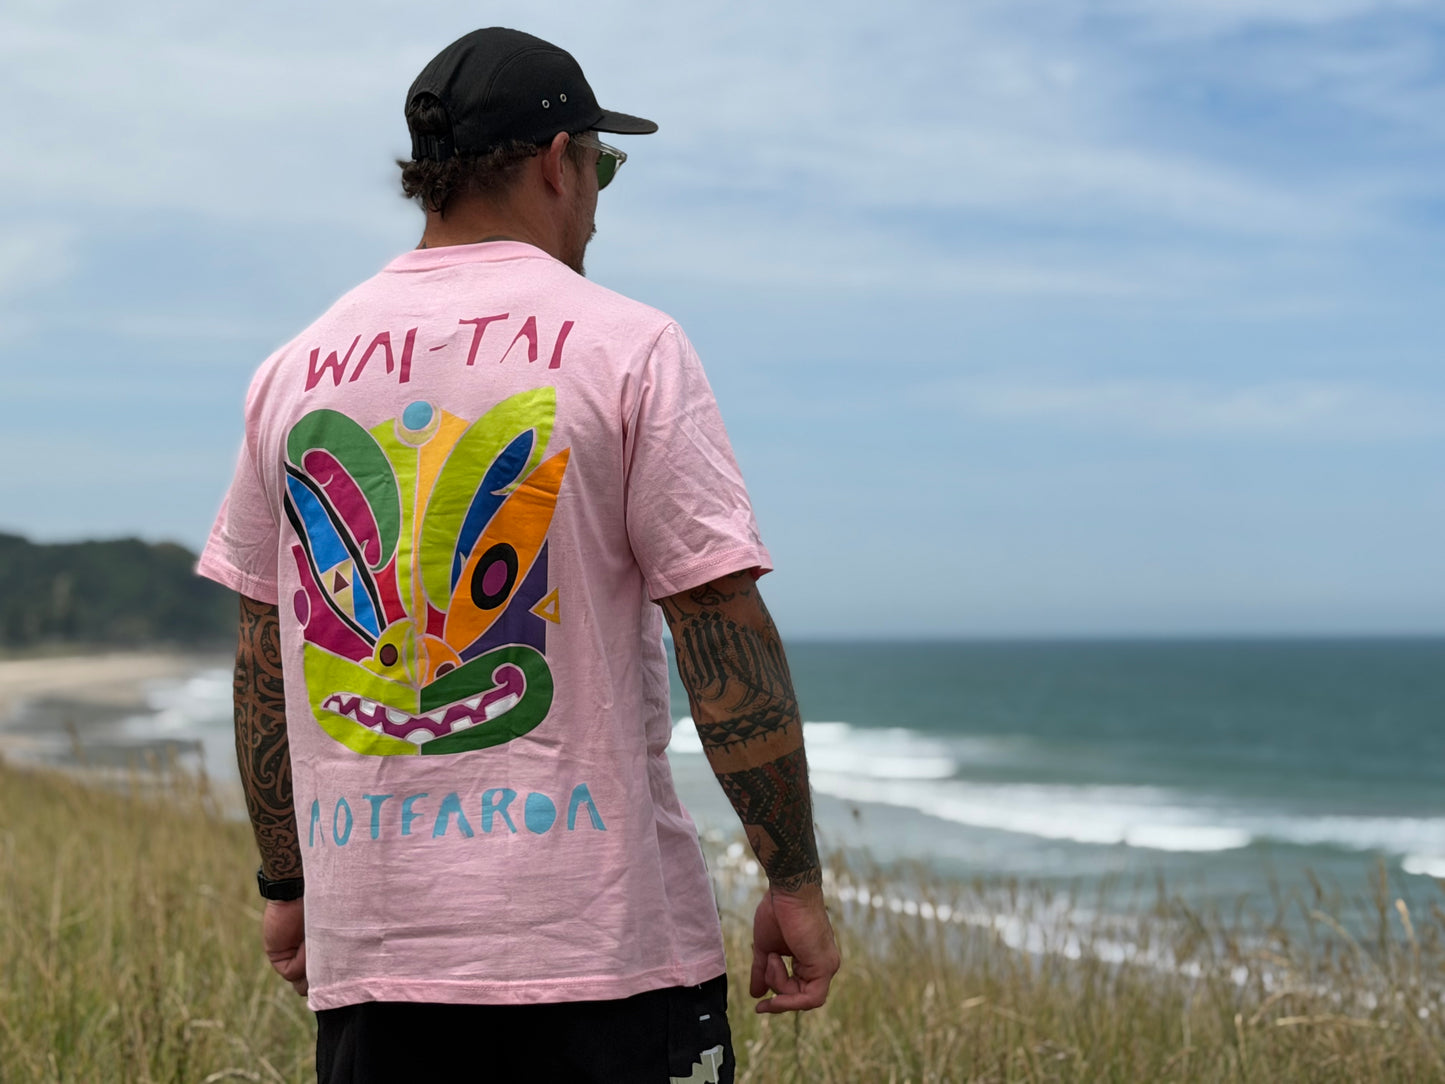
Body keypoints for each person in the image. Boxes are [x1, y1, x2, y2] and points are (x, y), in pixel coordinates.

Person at [198, 26, 839, 1083]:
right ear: (558, 162)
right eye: (604, 167)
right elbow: (720, 627)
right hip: (605, 959)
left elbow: (265, 658)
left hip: (379, 964)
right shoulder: (629, 347)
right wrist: (794, 882)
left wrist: (287, 886)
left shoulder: (292, 370)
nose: (596, 199)